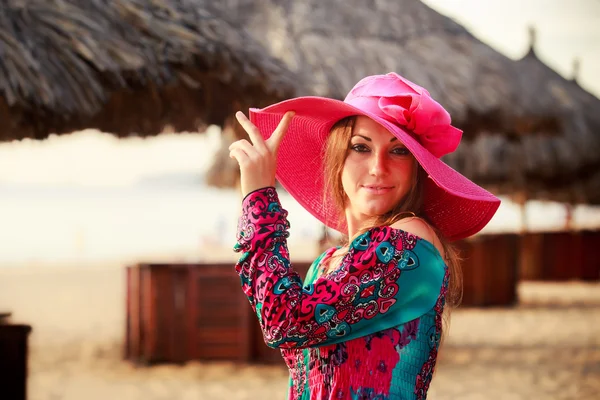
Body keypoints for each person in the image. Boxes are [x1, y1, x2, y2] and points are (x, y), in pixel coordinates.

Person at [229, 72, 500, 400]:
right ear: (337, 157)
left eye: (398, 151)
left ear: (416, 168)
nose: (378, 167)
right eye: (361, 147)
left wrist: (259, 199)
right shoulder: (326, 264)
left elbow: (284, 321)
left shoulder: (408, 243)